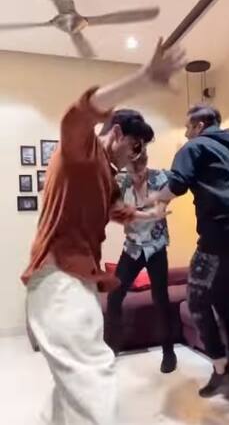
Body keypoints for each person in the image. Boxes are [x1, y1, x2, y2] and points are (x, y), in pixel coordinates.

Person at [21, 38, 186, 425]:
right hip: (58, 278)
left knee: (73, 385)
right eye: (135, 145)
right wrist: (143, 79)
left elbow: (121, 212)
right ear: (116, 133)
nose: (136, 155)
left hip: (75, 280)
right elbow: (78, 114)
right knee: (93, 375)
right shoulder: (81, 152)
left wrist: (152, 214)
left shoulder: (108, 176)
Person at [146, 104, 229, 398]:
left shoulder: (195, 147)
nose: (185, 133)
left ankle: (221, 370)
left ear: (200, 125)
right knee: (226, 303)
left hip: (219, 239)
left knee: (196, 301)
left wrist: (156, 200)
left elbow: (177, 184)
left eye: (188, 127)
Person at [107, 149, 177, 373]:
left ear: (146, 164)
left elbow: (161, 208)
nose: (136, 177)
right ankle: (111, 348)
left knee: (161, 299)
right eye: (131, 171)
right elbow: (118, 212)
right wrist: (146, 214)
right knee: (114, 295)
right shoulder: (121, 183)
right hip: (133, 248)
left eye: (139, 172)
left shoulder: (160, 178)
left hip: (156, 247)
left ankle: (168, 353)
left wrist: (136, 212)